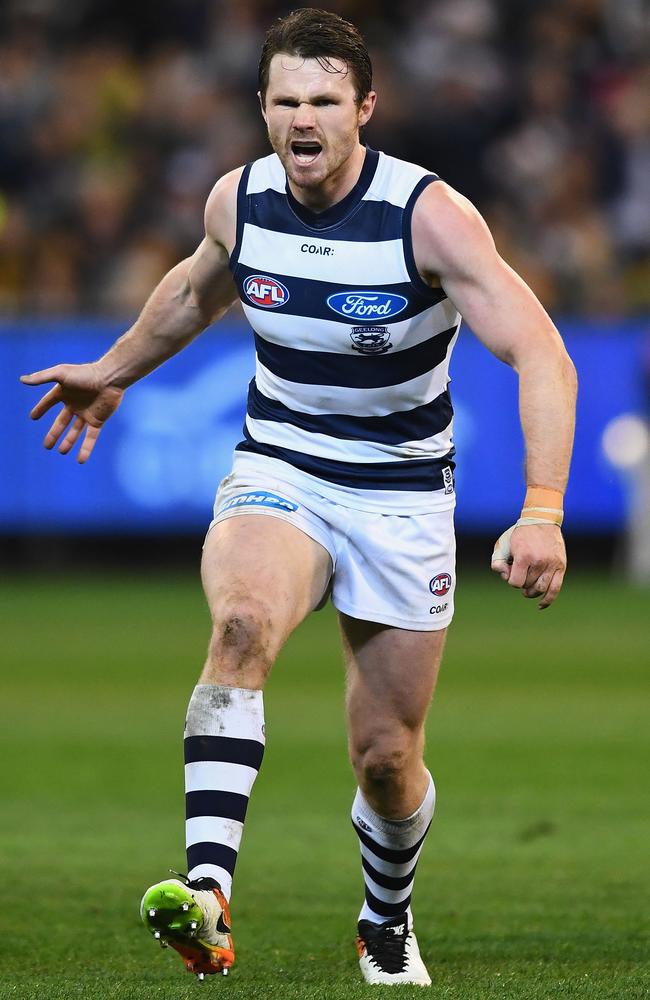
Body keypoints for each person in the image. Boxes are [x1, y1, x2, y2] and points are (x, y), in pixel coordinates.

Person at [21, 8, 577, 987]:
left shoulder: (426, 216)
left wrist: (540, 507)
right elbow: (197, 290)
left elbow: (538, 349)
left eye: (323, 99)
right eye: (285, 100)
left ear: (362, 107)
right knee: (239, 625)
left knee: (383, 759)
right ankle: (207, 892)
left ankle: (384, 916)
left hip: (401, 492)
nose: (302, 118)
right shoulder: (239, 200)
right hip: (279, 465)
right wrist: (114, 371)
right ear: (263, 108)